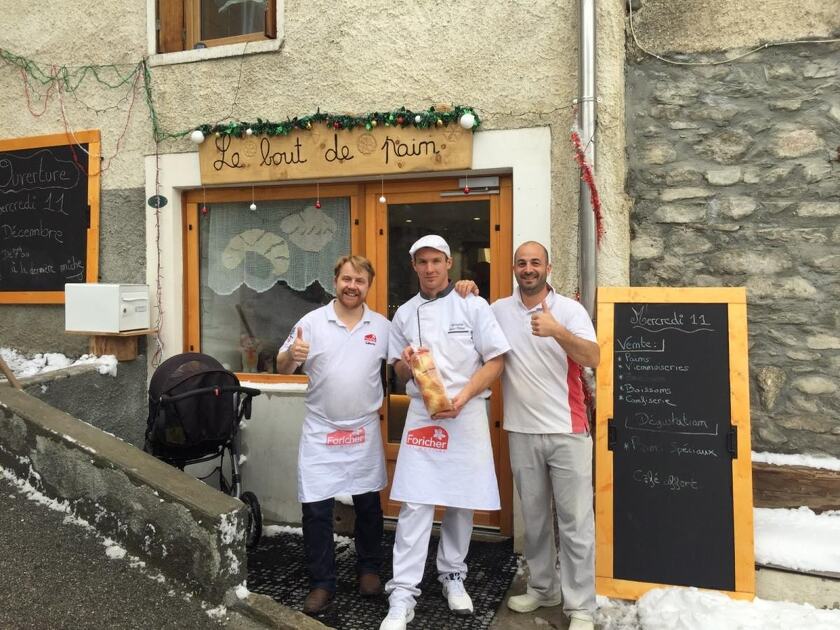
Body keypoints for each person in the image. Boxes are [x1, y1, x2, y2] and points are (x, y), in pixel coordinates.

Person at [458, 241, 600, 630]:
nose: (528, 268)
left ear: (548, 268)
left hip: (567, 430)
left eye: (535, 262)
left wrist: (557, 331)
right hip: (521, 430)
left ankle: (581, 606)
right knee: (535, 521)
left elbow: (594, 357)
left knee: (575, 523)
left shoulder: (568, 310)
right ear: (514, 269)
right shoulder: (499, 310)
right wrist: (467, 290)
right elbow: (470, 334)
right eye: (522, 263)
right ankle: (543, 588)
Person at [379, 234, 510, 630]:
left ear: (449, 263)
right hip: (423, 416)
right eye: (423, 262)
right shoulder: (403, 313)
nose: (430, 268)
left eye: (437, 261)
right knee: (415, 504)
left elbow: (496, 361)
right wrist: (403, 364)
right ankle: (402, 593)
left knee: (462, 501)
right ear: (414, 266)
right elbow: (397, 371)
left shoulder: (473, 304)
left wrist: (464, 396)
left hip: (467, 414)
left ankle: (453, 575)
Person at [276, 255, 390, 615]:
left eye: (359, 280)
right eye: (346, 279)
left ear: (368, 285)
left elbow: (406, 361)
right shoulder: (311, 322)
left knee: (370, 505)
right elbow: (281, 365)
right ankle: (322, 583)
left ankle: (369, 570)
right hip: (322, 431)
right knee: (316, 509)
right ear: (335, 280)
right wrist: (292, 357)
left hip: (363, 429)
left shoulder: (382, 326)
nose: (352, 286)